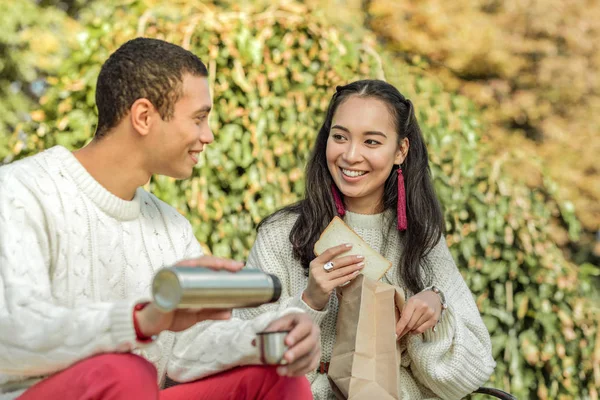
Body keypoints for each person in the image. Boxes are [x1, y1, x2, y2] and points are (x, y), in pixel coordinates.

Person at [0, 37, 319, 400]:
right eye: (199, 118)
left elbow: (185, 348)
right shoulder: (19, 192)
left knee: (280, 377)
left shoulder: (172, 226)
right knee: (125, 372)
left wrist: (272, 338)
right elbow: (9, 335)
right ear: (144, 116)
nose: (209, 135)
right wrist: (138, 321)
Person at [236, 80, 496, 399]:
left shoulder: (422, 239)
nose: (351, 155)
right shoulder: (282, 233)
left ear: (400, 150)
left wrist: (434, 315)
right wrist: (311, 301)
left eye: (371, 142)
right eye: (340, 137)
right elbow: (243, 351)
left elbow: (466, 378)